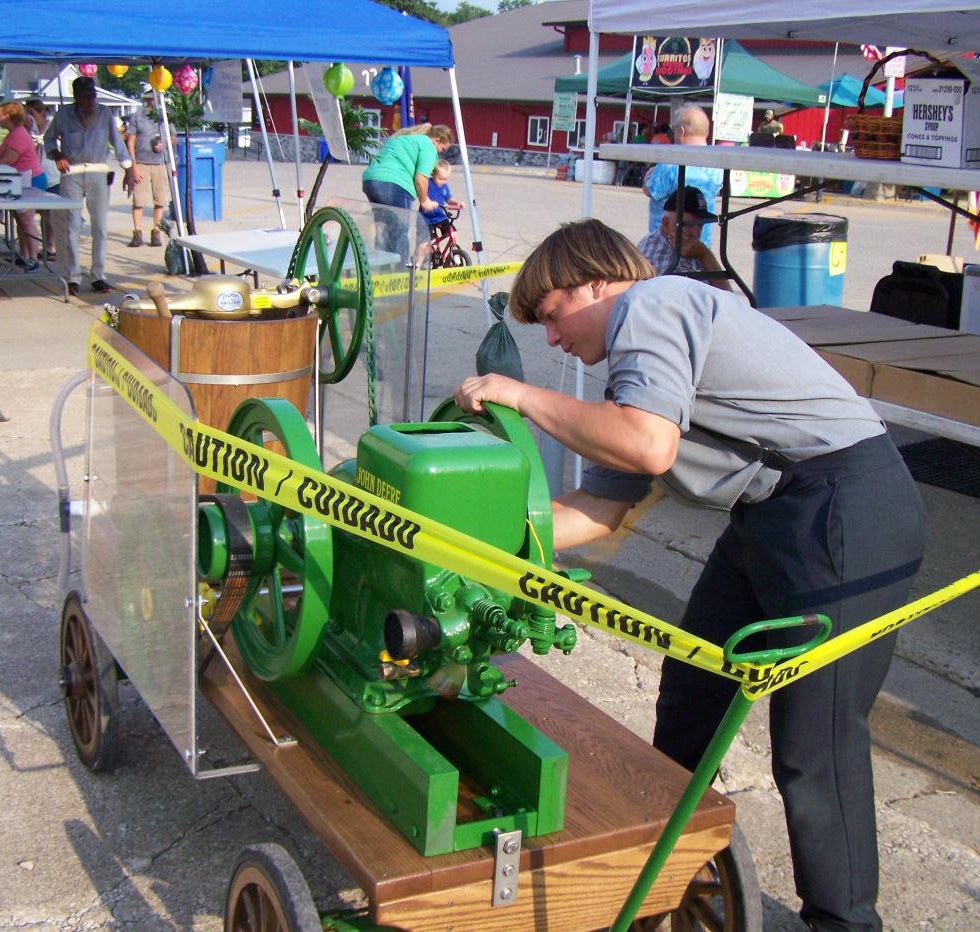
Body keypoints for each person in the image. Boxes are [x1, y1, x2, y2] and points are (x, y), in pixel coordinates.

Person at [453, 218, 925, 932]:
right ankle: (658, 871)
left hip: (844, 509)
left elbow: (647, 446)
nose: (552, 339)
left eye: (552, 316)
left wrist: (521, 396)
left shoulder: (656, 305)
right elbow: (596, 511)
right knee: (691, 692)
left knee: (814, 745)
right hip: (773, 515)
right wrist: (466, 542)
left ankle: (844, 923)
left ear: (597, 281)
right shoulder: (634, 378)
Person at [44, 76, 133, 295]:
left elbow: (118, 143)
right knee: (71, 224)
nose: (89, 102)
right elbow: (48, 140)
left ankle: (98, 275)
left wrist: (129, 169)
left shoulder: (104, 114)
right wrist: (57, 155)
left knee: (100, 227)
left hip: (97, 171)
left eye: (92, 96)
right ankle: (73, 275)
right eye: (85, 98)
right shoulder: (64, 114)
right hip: (71, 171)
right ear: (76, 98)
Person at [361, 122, 454, 259]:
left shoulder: (403, 138)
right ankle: (401, 275)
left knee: (382, 229)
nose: (441, 152)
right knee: (400, 232)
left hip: (370, 181)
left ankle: (380, 271)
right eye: (443, 148)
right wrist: (425, 201)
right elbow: (421, 179)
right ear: (437, 140)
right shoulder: (428, 146)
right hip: (395, 184)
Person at [642, 106, 720, 248]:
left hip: (666, 247)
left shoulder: (671, 163)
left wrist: (649, 176)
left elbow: (650, 190)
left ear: (681, 131)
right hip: (701, 247)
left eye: (674, 128)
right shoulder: (716, 165)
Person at [636, 185, 730, 288]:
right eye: (689, 225)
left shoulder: (691, 249)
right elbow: (725, 298)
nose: (696, 233)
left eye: (700, 225)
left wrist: (704, 255)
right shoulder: (660, 252)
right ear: (666, 224)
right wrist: (705, 255)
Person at [0, 101, 44, 271]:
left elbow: (9, 159)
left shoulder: (18, 135)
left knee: (27, 220)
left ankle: (34, 258)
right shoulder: (14, 132)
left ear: (8, 116)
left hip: (29, 180)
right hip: (19, 180)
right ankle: (24, 255)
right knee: (20, 220)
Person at [124, 89, 175, 248]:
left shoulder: (165, 117)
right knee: (138, 199)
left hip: (160, 163)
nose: (155, 102)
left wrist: (165, 144)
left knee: (160, 199)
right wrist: (133, 166)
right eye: (152, 99)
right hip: (141, 162)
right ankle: (137, 232)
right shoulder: (137, 117)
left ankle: (156, 231)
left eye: (158, 99)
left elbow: (173, 138)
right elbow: (130, 141)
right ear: (147, 101)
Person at [25, 98, 59, 260]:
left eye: (32, 113)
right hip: (36, 173)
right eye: (27, 113)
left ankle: (50, 247)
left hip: (54, 174)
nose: (29, 117)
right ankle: (36, 247)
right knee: (33, 214)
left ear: (42, 113)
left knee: (50, 216)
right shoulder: (29, 129)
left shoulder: (52, 126)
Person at [420, 158, 464, 237]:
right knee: (426, 242)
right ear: (433, 173)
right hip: (426, 219)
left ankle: (452, 248)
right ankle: (431, 246)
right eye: (440, 179)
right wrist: (429, 202)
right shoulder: (428, 183)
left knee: (453, 233)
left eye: (445, 179)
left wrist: (457, 203)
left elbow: (449, 200)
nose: (443, 181)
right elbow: (422, 195)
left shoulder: (444, 186)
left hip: (440, 216)